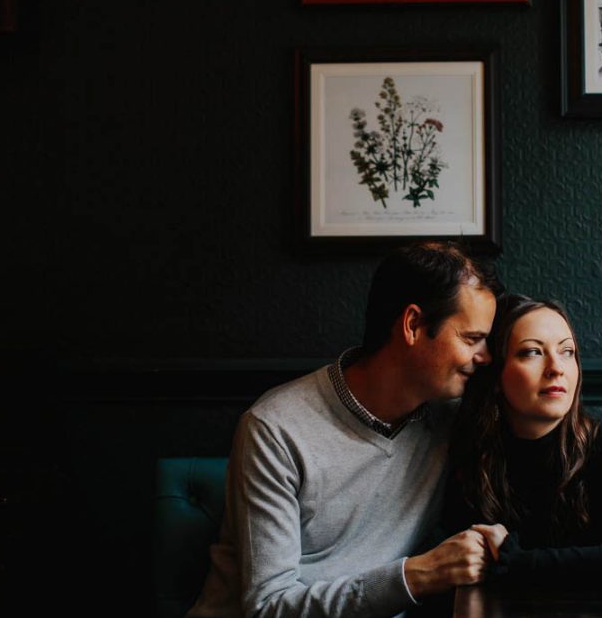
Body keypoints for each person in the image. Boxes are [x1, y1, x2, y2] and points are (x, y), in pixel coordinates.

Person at [187, 242, 503, 618]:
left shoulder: (449, 416)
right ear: (413, 325)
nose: (485, 356)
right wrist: (418, 576)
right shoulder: (275, 429)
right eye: (471, 339)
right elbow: (268, 607)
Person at [445, 294, 602, 587]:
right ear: (496, 376)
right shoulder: (473, 461)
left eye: (567, 352)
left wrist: (520, 562)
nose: (556, 367)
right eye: (532, 352)